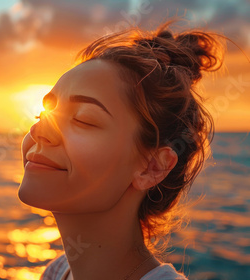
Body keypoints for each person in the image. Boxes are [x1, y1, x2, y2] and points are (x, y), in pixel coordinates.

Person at [18, 19, 226, 280]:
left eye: (83, 118)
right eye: (43, 114)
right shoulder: (56, 272)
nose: (39, 131)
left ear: (153, 167)